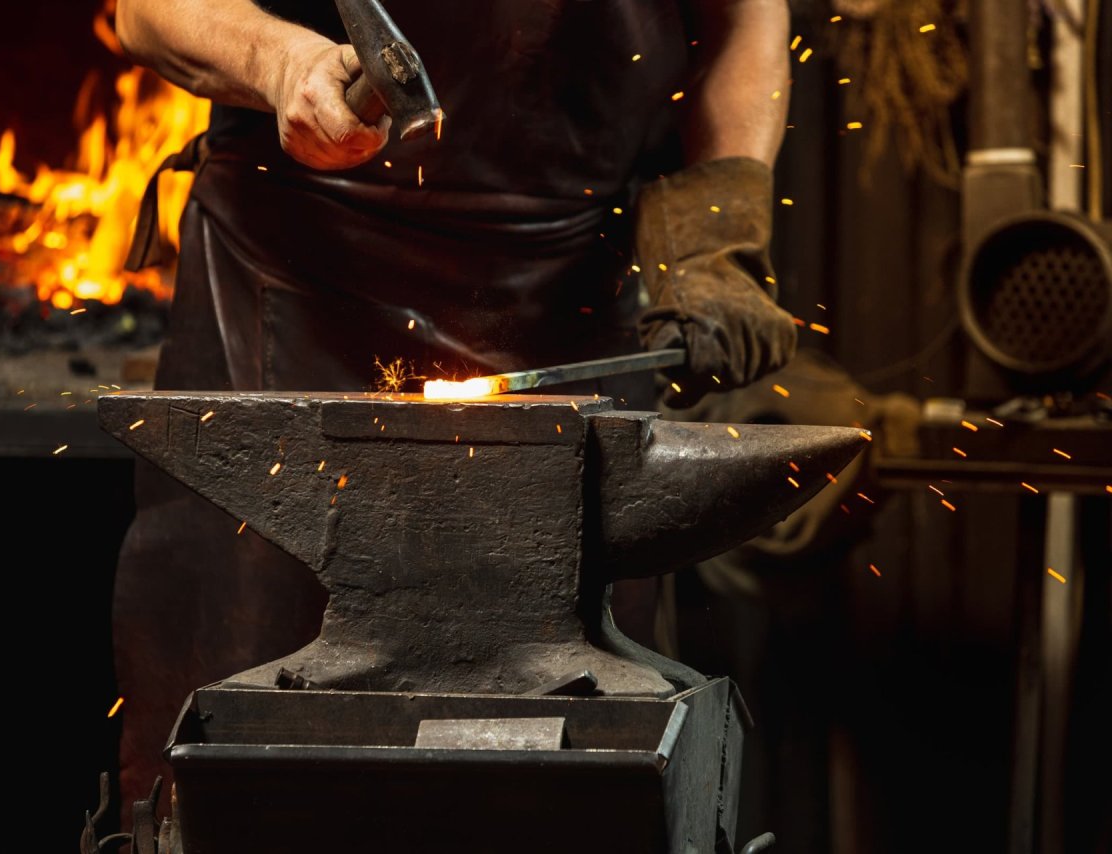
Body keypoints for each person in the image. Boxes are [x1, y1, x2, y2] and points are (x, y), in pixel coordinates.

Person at [111, 0, 797, 823]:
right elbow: (150, 12)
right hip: (295, 283)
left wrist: (719, 227)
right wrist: (281, 63)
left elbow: (744, 21)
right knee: (250, 766)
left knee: (566, 770)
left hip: (567, 295)